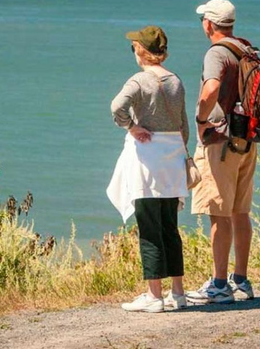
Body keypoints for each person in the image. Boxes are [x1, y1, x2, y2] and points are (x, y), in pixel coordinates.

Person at [108, 25, 189, 313]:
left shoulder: (139, 80)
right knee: (170, 227)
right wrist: (180, 153)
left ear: (141, 51)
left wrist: (132, 127)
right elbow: (184, 125)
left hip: (147, 160)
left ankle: (154, 295)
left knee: (150, 229)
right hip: (173, 159)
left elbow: (116, 107)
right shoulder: (176, 81)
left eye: (134, 47)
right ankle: (177, 293)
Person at [186, 0, 258, 304]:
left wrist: (202, 119)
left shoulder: (217, 53)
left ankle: (218, 284)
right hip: (247, 140)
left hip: (221, 141)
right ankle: (240, 280)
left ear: (209, 24)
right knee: (240, 212)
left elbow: (211, 89)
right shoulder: (246, 49)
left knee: (218, 213)